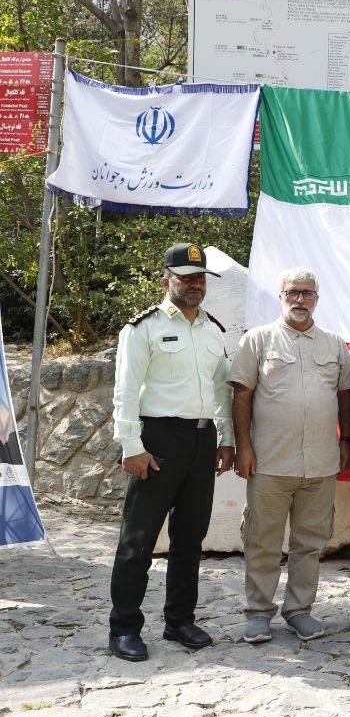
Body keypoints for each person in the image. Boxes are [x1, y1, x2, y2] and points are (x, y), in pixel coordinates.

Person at [108, 243, 234, 662]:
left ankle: (179, 620)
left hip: (201, 441)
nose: (195, 284)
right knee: (138, 540)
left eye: (200, 278)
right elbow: (126, 391)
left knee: (190, 540)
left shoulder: (213, 330)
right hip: (158, 440)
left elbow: (221, 391)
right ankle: (124, 628)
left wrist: (226, 439)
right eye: (186, 277)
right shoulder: (142, 328)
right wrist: (131, 446)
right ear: (166, 280)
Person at [229, 267, 350, 644]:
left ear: (317, 298)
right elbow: (241, 395)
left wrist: (346, 441)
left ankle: (300, 611)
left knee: (310, 544)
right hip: (269, 461)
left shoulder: (333, 344)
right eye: (293, 292)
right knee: (262, 542)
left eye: (307, 293)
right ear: (281, 296)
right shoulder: (258, 340)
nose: (300, 299)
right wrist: (243, 447)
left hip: (320, 462)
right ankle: (258, 613)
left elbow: (345, 396)